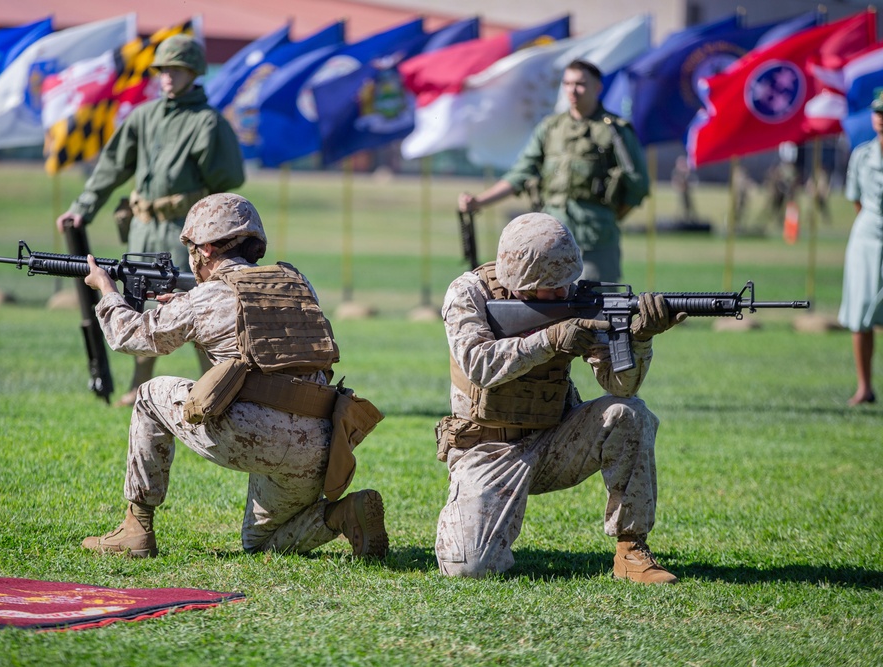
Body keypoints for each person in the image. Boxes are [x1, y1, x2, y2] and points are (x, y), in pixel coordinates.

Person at [79, 193, 389, 559]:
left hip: (250, 432)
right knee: (260, 543)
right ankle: (342, 514)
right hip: (321, 440)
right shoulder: (298, 282)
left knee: (148, 395)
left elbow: (130, 336)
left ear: (207, 248)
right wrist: (186, 305)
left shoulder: (205, 297)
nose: (191, 257)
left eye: (193, 248)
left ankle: (136, 528)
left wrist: (106, 289)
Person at [434, 212, 686, 583]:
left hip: (556, 440)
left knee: (628, 413)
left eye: (566, 283)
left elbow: (621, 387)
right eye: (549, 288)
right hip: (487, 448)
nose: (562, 293)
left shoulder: (577, 298)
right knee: (468, 568)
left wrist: (640, 339)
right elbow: (479, 364)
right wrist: (549, 340)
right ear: (517, 280)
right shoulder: (468, 293)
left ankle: (630, 550)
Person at [56, 34, 246, 406]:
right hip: (141, 228)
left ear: (194, 72)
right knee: (137, 303)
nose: (167, 77)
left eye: (175, 69)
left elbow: (230, 178)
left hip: (185, 232)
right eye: (162, 70)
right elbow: (112, 166)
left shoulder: (208, 122)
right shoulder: (143, 116)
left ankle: (219, 387)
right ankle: (138, 383)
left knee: (194, 308)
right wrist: (83, 206)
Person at [457, 60, 649, 282]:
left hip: (595, 240)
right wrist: (480, 201)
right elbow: (520, 174)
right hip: (550, 240)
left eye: (580, 84)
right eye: (567, 83)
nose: (572, 90)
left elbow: (638, 185)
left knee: (598, 307)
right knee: (550, 310)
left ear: (598, 87)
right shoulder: (550, 128)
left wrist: (607, 217)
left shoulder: (615, 130)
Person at [839, 91, 883, 406]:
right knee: (861, 312)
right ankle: (864, 386)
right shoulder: (862, 155)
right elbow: (856, 199)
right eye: (878, 112)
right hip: (867, 237)